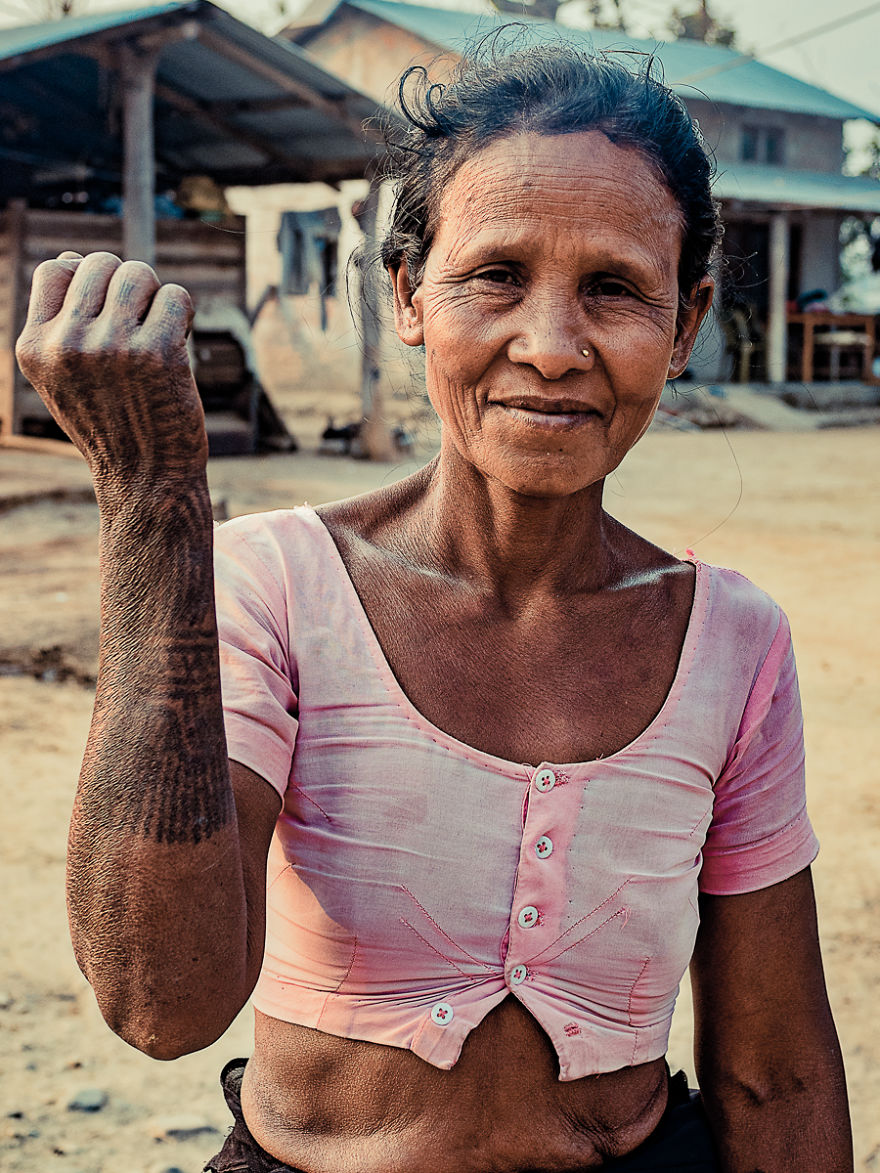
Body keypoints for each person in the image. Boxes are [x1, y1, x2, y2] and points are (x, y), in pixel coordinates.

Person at [16, 40, 852, 1173]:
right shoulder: (276, 585)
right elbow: (161, 1002)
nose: (550, 348)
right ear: (409, 294)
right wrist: (152, 501)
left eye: (613, 288)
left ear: (686, 320)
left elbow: (778, 1073)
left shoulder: (729, 641)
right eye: (494, 275)